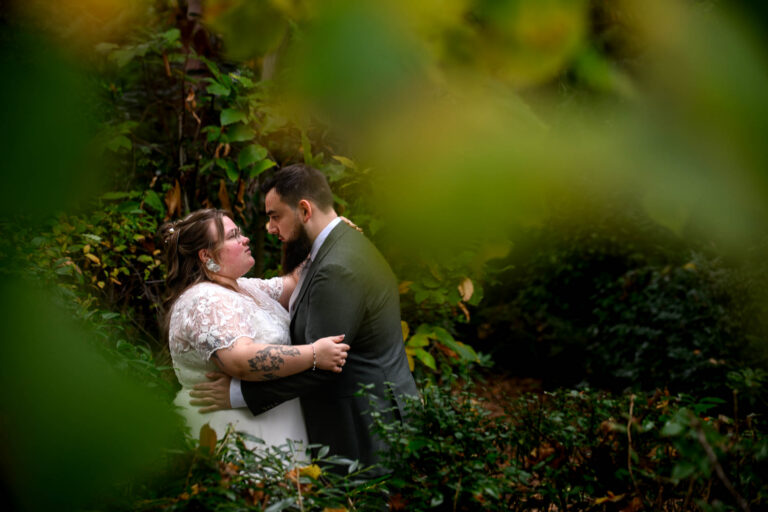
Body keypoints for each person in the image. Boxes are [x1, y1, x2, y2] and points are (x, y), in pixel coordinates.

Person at [191, 164, 419, 470]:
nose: (270, 228)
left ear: (304, 210)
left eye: (275, 216)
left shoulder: (337, 267)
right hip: (362, 415)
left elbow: (324, 366)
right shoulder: (331, 249)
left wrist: (239, 394)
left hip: (364, 424)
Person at [158, 208, 350, 449]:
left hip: (270, 423)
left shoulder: (244, 287)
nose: (245, 238)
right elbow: (241, 361)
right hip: (237, 432)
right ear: (206, 256)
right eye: (233, 236)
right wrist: (314, 355)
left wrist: (329, 236)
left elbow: (294, 282)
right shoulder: (205, 299)